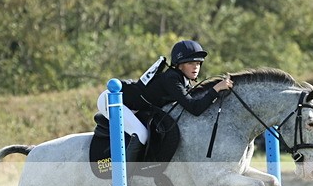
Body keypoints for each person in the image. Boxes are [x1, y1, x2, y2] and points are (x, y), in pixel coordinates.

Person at [97, 39, 233, 165]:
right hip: (113, 100)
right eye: (191, 63)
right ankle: (119, 185)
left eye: (198, 63)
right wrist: (216, 88)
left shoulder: (183, 80)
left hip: (132, 106)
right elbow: (194, 108)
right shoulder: (171, 79)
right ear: (179, 65)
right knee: (141, 134)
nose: (196, 67)